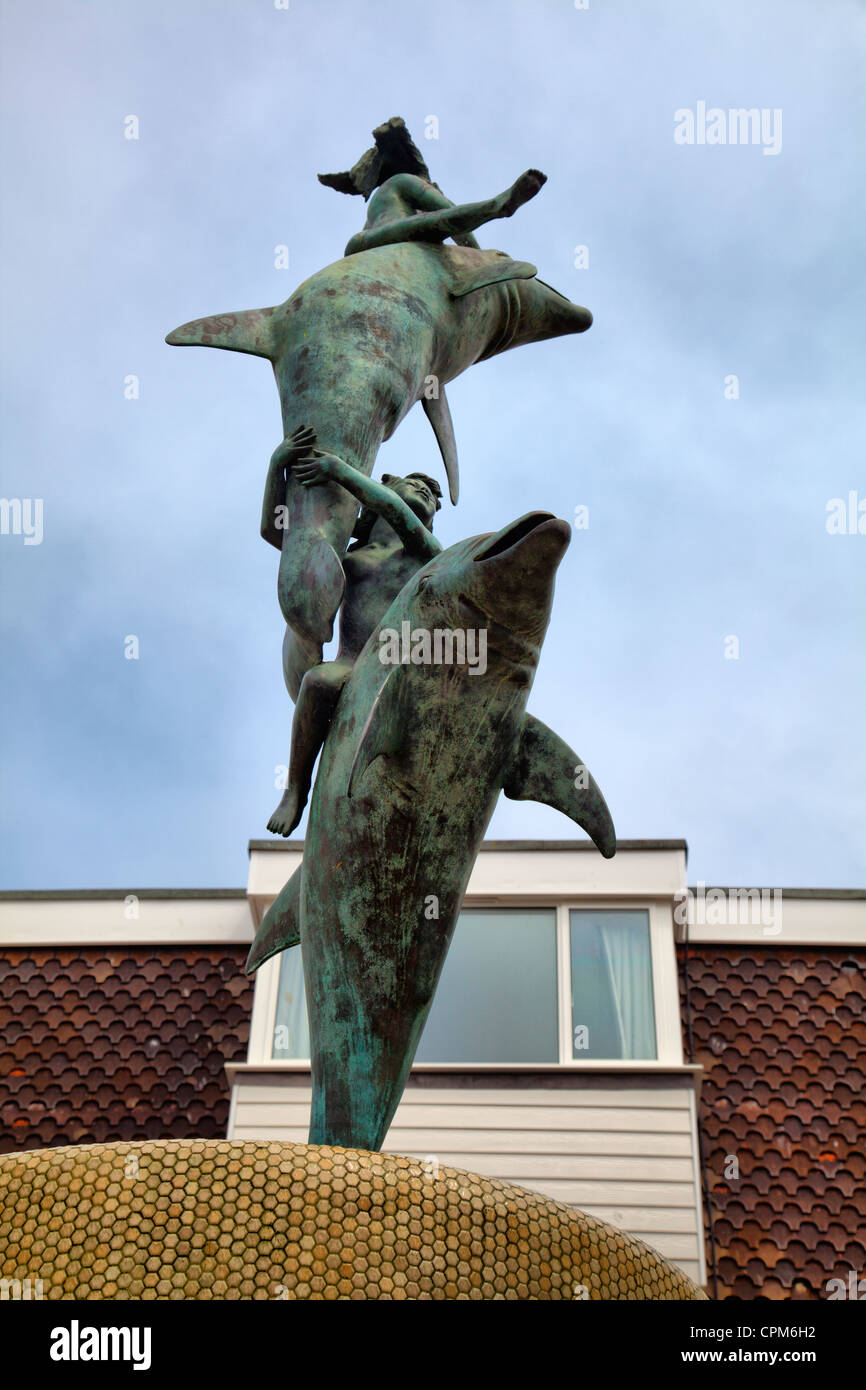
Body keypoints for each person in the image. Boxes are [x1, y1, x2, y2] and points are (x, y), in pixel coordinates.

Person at [264, 428, 442, 836]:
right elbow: (279, 535)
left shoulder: (426, 552)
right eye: (412, 484)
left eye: (431, 496)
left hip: (401, 666)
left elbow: (398, 511)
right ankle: (296, 788)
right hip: (351, 662)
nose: (424, 491)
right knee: (319, 681)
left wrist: (340, 471)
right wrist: (278, 468)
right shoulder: (349, 556)